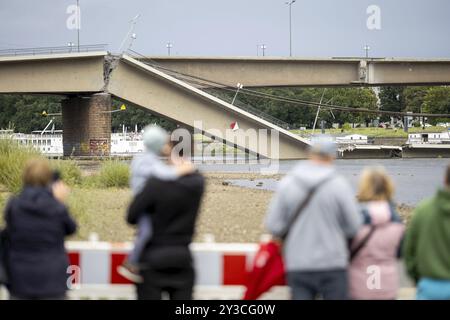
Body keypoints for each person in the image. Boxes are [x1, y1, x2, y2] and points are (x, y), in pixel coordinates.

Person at [265, 137, 362, 300]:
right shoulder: (339, 185)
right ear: (332, 156)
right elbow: (353, 226)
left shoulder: (288, 183)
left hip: (298, 262)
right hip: (333, 263)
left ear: (309, 154)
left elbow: (273, 225)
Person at [126, 144, 204, 300]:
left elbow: (131, 216)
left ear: (168, 149)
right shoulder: (197, 183)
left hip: (152, 259)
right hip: (182, 258)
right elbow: (191, 173)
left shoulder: (155, 184)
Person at [118, 125, 193, 283]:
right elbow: (163, 174)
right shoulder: (147, 162)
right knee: (145, 232)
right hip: (143, 204)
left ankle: (136, 260)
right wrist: (183, 169)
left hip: (144, 202)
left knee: (145, 232)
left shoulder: (142, 159)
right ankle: (130, 262)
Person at [4, 158, 77, 300]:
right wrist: (59, 201)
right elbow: (71, 228)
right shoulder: (56, 207)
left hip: (20, 280)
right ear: (48, 180)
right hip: (52, 280)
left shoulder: (13, 206)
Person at [349, 167, 404, 300]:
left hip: (358, 287)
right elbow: (400, 253)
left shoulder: (354, 222)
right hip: (387, 288)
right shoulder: (396, 222)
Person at [403, 164, 450, 300]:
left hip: (429, 286)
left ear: (444, 180)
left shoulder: (423, 210)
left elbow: (409, 251)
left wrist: (417, 278)